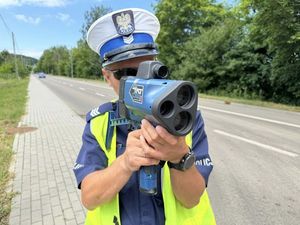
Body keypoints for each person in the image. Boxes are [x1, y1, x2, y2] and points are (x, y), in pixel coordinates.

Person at [73, 8, 216, 225]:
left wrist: (179, 157)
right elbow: (90, 198)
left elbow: (191, 199)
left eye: (146, 70)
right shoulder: (100, 123)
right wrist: (125, 164)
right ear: (107, 77)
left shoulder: (185, 118)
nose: (140, 83)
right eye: (125, 74)